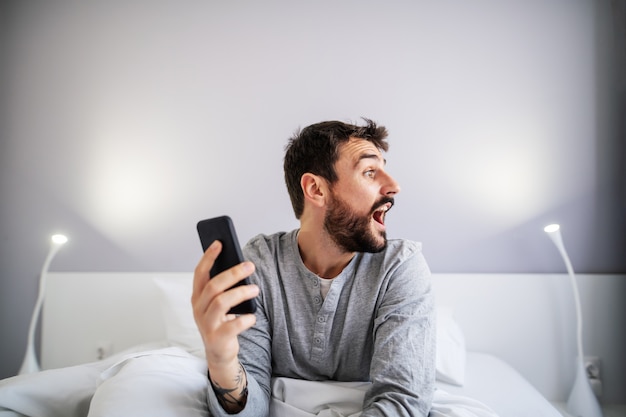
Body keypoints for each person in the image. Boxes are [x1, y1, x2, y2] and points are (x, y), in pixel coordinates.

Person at [192, 118, 436, 416]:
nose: (394, 186)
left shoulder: (399, 266)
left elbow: (402, 404)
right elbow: (249, 407)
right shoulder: (261, 265)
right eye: (370, 171)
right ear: (316, 189)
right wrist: (222, 363)